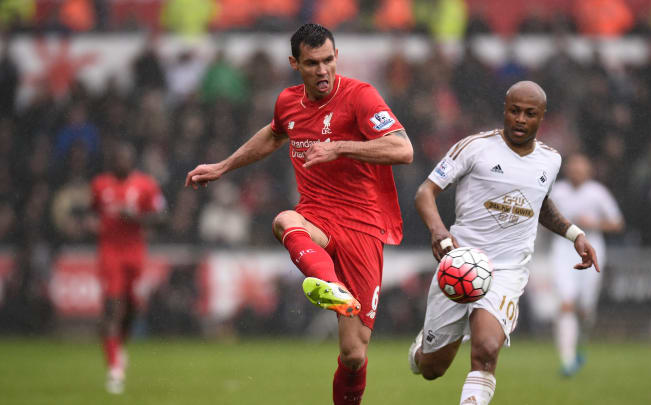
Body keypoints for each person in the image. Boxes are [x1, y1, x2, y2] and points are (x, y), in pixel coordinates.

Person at [184, 23, 413, 405]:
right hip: (317, 215)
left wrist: (340, 146)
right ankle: (332, 288)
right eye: (312, 63)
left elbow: (402, 149)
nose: (322, 71)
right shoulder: (288, 102)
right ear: (295, 63)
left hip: (363, 225)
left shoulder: (361, 96)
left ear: (336, 56)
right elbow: (275, 134)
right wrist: (224, 166)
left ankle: (335, 296)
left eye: (328, 60)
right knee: (284, 220)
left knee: (354, 356)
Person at [408, 81, 598, 405]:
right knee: (432, 368)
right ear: (505, 110)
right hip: (460, 263)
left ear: (542, 117)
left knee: (486, 350)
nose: (521, 119)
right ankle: (422, 350)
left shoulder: (551, 160)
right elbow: (425, 191)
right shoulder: (474, 147)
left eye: (529, 113)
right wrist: (439, 231)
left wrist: (574, 234)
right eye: (515, 111)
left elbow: (540, 205)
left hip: (507, 271)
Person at [91, 142, 166, 394]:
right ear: (113, 161)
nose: (121, 162)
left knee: (132, 308)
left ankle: (118, 347)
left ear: (132, 161)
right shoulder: (100, 185)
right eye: (118, 158)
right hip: (110, 252)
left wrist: (135, 217)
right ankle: (115, 370)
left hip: (135, 254)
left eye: (126, 158)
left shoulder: (145, 185)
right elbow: (93, 212)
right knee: (112, 307)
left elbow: (162, 217)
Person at [550, 153, 624, 376]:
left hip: (592, 248)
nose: (577, 172)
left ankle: (580, 341)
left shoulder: (597, 192)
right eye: (573, 167)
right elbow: (543, 217)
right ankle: (567, 359)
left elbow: (618, 223)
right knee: (566, 302)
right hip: (563, 249)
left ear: (588, 171)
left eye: (581, 168)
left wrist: (595, 223)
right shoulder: (557, 191)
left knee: (585, 308)